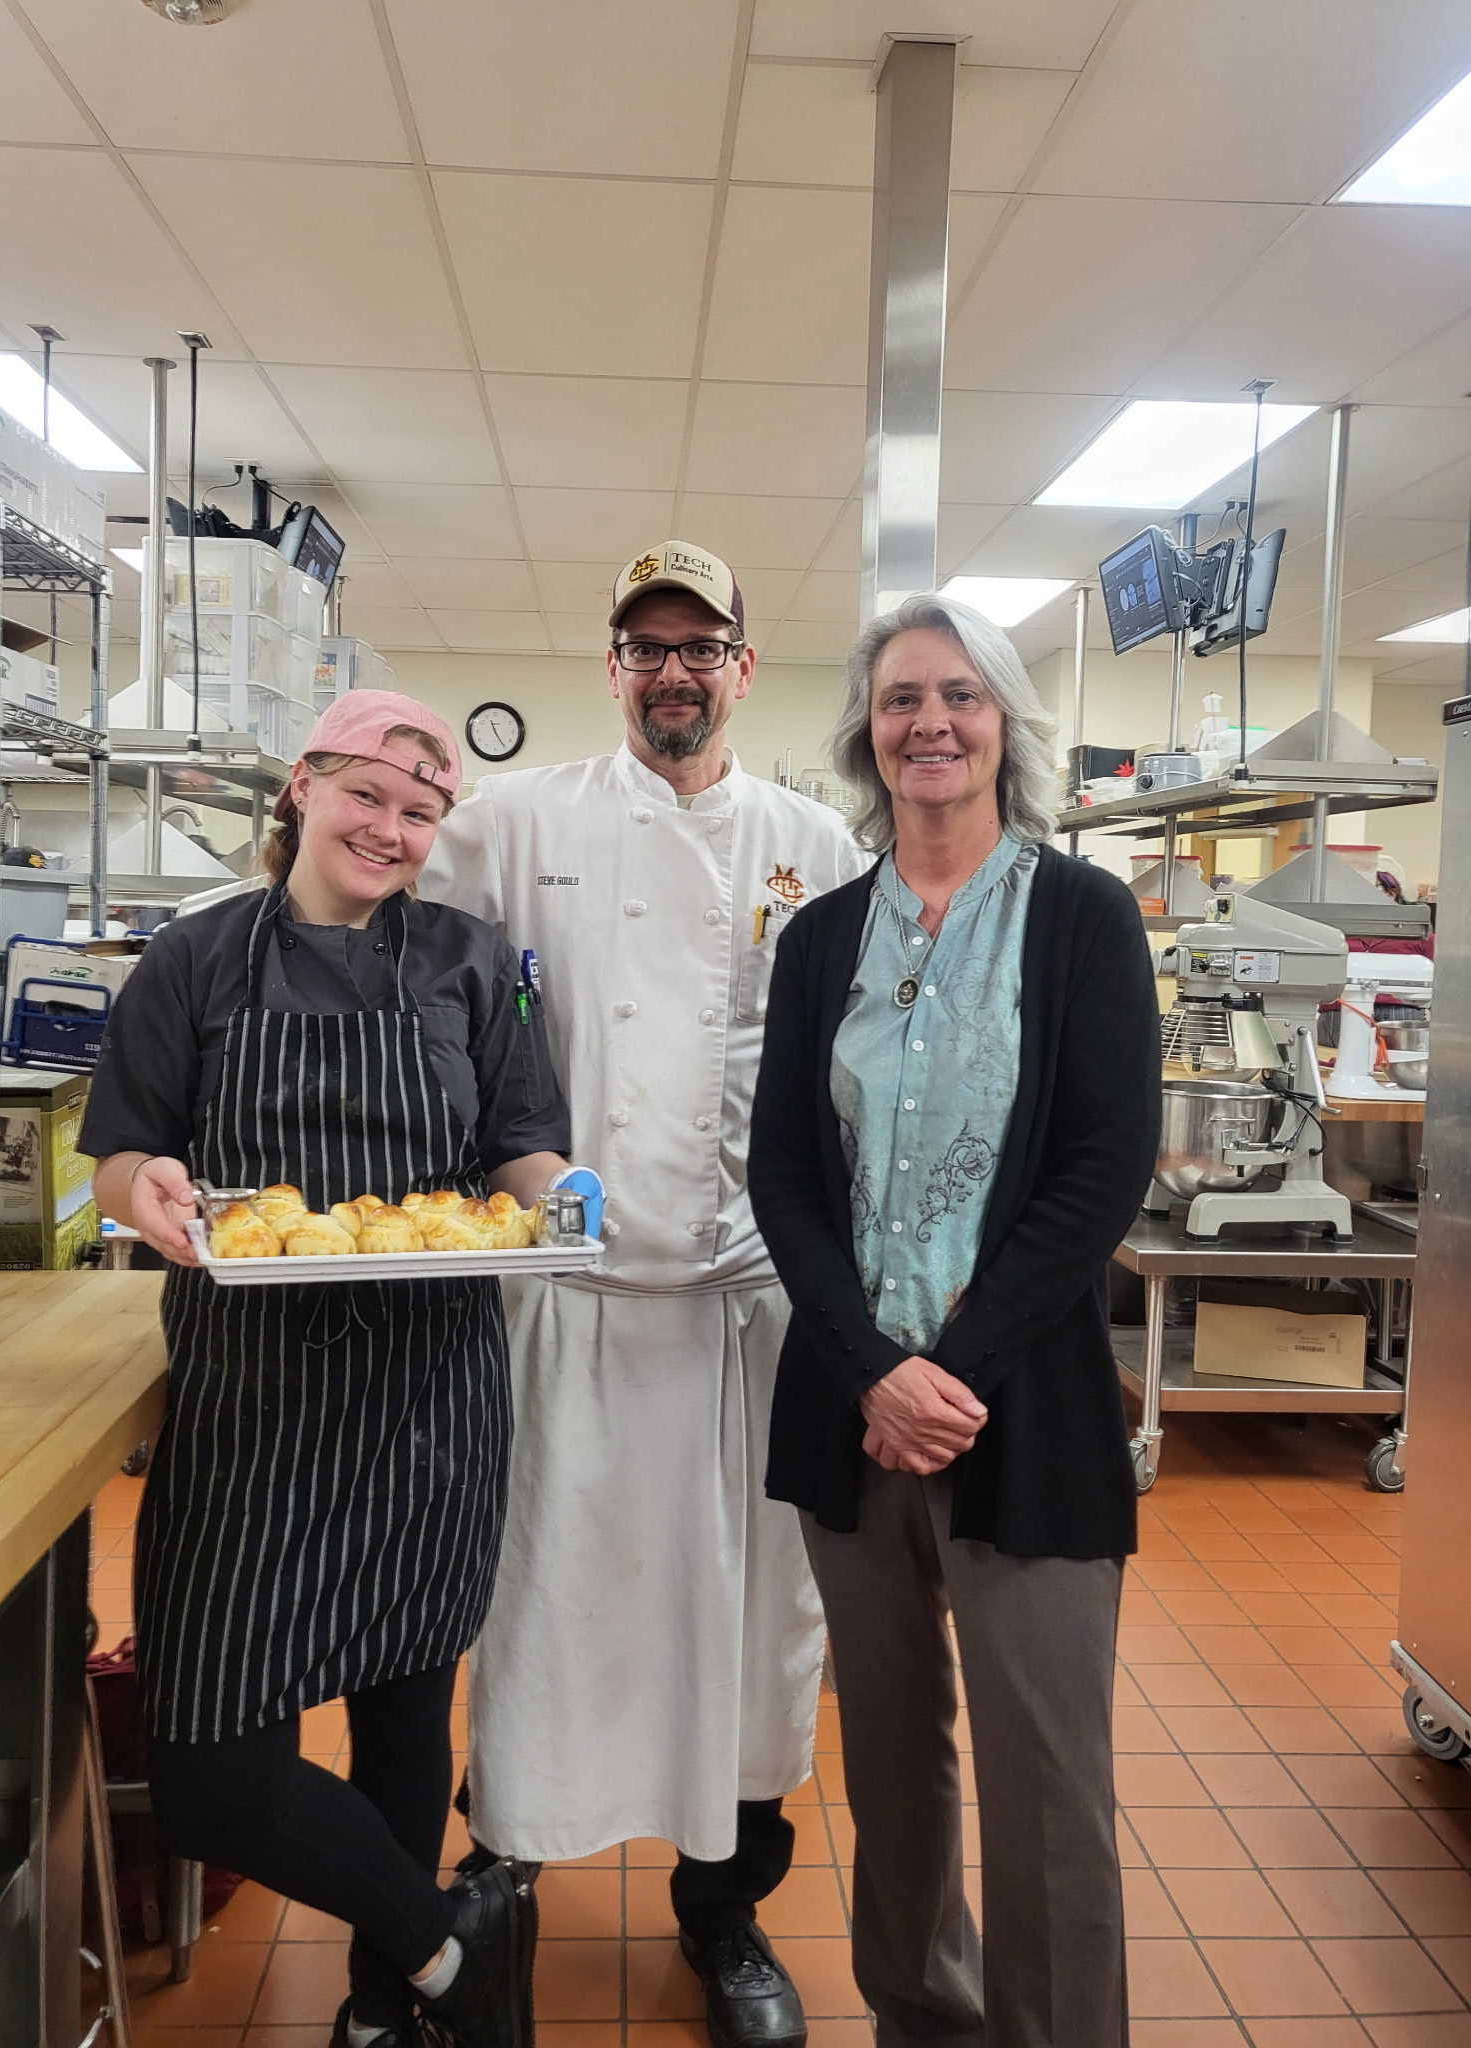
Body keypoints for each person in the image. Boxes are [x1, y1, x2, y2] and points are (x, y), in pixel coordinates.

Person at [422, 542, 867, 2048]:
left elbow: (871, 1067)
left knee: (745, 1623)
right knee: (546, 1596)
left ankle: (725, 1913)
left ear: (743, 666)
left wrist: (804, 1215)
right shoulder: (517, 819)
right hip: (566, 1293)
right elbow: (402, 969)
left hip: (751, 1312)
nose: (672, 671)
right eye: (644, 647)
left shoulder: (815, 843)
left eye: (701, 646)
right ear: (612, 668)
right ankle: (507, 1874)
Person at [81, 691, 572, 2048]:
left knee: (407, 1716)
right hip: (253, 1407)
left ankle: (381, 2000)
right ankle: (448, 1954)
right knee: (213, 1778)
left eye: (423, 811)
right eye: (371, 794)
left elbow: (521, 1146)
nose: (395, 827)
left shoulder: (477, 961)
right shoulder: (192, 959)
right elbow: (123, 1154)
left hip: (428, 1400)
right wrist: (152, 1192)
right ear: (302, 788)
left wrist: (570, 1190)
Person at [747, 595, 1162, 2048]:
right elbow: (786, 1174)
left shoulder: (1085, 918)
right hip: (850, 1411)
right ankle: (925, 2014)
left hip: (1023, 1410)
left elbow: (1104, 1165)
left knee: (1047, 1777)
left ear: (1006, 727)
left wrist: (946, 1372)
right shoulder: (818, 943)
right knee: (894, 1765)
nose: (931, 720)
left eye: (962, 695)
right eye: (902, 697)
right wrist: (874, 1370)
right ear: (868, 732)